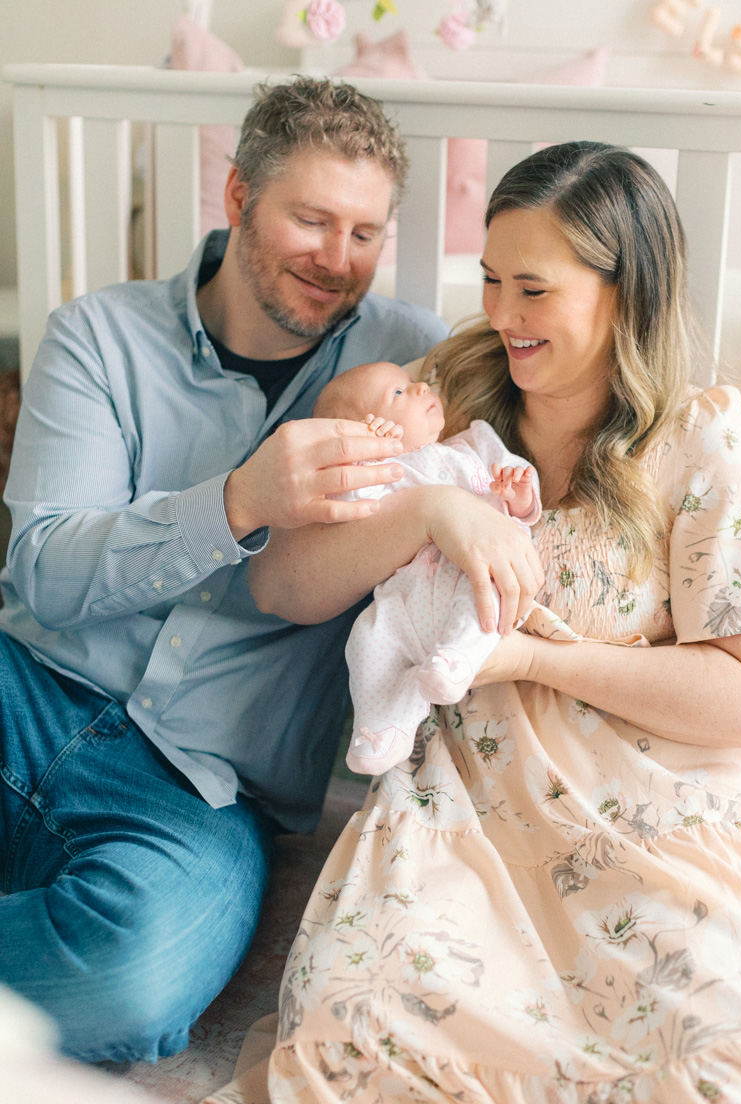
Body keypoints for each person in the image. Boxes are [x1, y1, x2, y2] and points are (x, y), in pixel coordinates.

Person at [235, 141, 741, 1103]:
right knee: (367, 1036)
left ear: (625, 293)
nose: (500, 315)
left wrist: (530, 655)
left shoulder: (704, 442)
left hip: (658, 806)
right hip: (467, 806)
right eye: (492, 279)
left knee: (719, 1034)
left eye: (533, 289)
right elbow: (283, 586)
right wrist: (428, 511)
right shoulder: (445, 394)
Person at [0, 76, 449, 1064]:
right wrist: (238, 502)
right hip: (24, 693)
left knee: (128, 981)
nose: (338, 262)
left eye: (365, 234)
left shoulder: (415, 366)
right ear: (239, 196)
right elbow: (44, 575)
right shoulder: (100, 337)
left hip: (199, 790)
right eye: (311, 219)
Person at [312, 360, 541, 775]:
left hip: (470, 576)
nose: (419, 388)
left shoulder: (473, 443)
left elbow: (524, 505)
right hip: (407, 597)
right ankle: (383, 729)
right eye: (397, 394)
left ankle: (455, 660)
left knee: (484, 608)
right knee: (366, 639)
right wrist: (366, 459)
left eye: (413, 382)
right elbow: (352, 511)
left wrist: (519, 494)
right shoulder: (382, 474)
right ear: (367, 432)